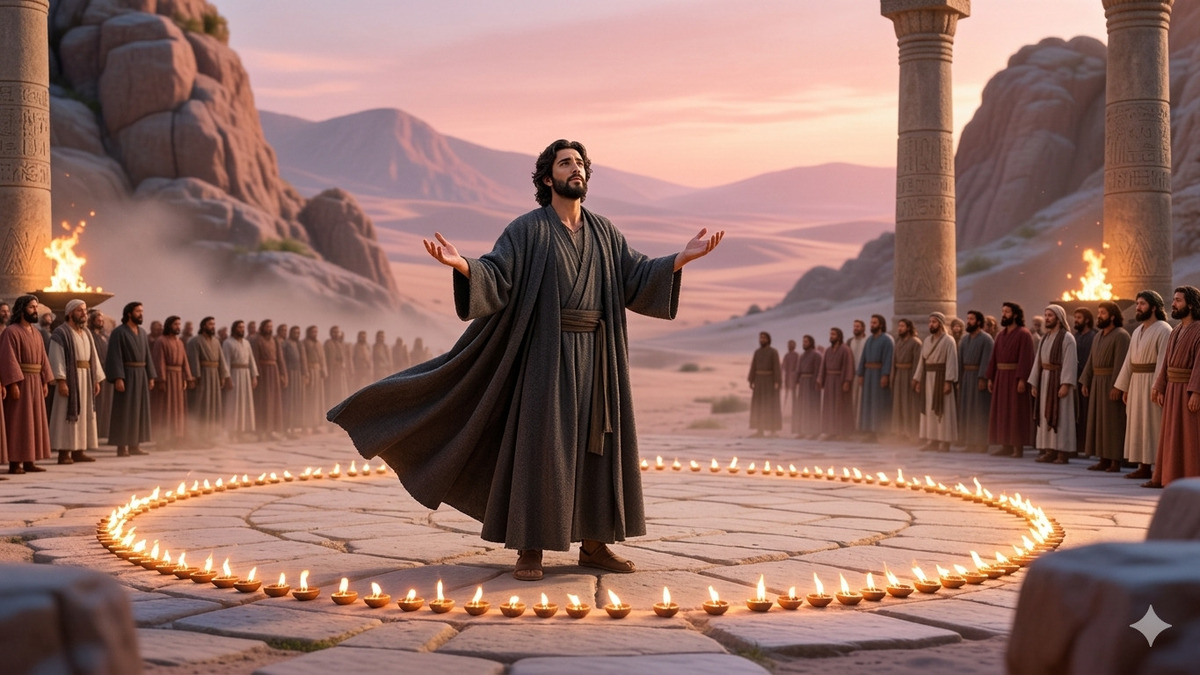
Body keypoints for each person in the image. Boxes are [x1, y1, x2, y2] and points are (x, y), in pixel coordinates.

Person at [328, 139, 722, 582]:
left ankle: (594, 545)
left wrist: (678, 260)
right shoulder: (527, 230)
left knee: (598, 446)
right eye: (566, 163)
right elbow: (498, 275)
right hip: (545, 358)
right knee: (542, 449)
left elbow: (634, 276)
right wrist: (464, 267)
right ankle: (530, 547)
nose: (576, 170)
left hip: (598, 357)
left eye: (580, 164)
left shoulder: (606, 232)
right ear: (546, 177)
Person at [1113, 291, 1171, 481]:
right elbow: (1129, 361)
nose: (1138, 307)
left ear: (1153, 307)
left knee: (1154, 425)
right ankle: (1143, 466)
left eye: (1142, 304)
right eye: (1137, 304)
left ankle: (1159, 468)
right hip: (1136, 382)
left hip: (1152, 382)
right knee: (1138, 424)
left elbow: (1164, 360)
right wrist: (1125, 386)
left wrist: (1159, 386)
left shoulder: (1164, 329)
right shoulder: (1137, 331)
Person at [1147, 286, 1200, 488]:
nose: (1173, 304)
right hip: (1172, 390)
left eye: (1178, 300)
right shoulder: (1176, 330)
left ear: (1191, 305)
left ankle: (1190, 479)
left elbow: (1199, 365)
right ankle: (1168, 476)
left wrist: (1196, 392)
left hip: (1187, 390)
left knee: (1189, 436)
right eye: (1174, 300)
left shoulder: (1199, 330)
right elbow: (1166, 363)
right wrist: (1159, 386)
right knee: (1171, 434)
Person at [1, 295, 53, 473]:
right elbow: (8, 358)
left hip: (35, 382)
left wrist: (45, 379)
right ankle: (15, 462)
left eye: (36, 307)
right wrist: (13, 383)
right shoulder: (11, 332)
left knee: (34, 421)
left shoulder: (37, 333)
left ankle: (30, 460)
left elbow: (43, 359)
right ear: (22, 309)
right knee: (19, 421)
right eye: (31, 307)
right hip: (21, 382)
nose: (35, 310)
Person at [1079, 302, 1130, 472]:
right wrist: (1085, 380)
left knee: (1112, 422)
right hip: (1097, 382)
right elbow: (1091, 361)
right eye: (1098, 312)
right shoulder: (1098, 335)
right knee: (1098, 421)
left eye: (1103, 313)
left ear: (1112, 316)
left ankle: (1115, 460)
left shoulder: (1121, 335)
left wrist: (1117, 386)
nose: (1099, 315)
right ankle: (1103, 458)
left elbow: (1121, 362)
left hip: (1110, 382)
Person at [105, 302, 156, 457]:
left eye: (142, 311)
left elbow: (147, 355)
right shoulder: (118, 333)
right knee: (125, 411)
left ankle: (135, 445)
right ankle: (122, 446)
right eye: (138, 311)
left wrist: (151, 375)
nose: (141, 314)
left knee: (139, 410)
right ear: (129, 313)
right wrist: (119, 377)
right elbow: (115, 356)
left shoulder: (142, 332)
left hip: (140, 375)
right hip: (127, 375)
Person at [1029, 305, 1078, 464]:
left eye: (1050, 315)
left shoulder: (1067, 338)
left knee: (1062, 417)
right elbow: (1038, 362)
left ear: (1058, 317)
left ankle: (1062, 453)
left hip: (1059, 381)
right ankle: (1049, 450)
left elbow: (1070, 362)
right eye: (1046, 315)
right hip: (1045, 380)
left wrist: (1066, 383)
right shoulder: (1045, 338)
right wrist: (1035, 383)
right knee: (1045, 416)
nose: (1047, 318)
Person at [987, 302, 1036, 458]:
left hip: (1015, 377)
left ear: (1015, 314)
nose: (1004, 314)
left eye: (1007, 312)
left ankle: (1018, 446)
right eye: (1003, 311)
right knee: (1002, 411)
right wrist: (991, 377)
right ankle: (1005, 444)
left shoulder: (1024, 334)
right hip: (1001, 377)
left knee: (1016, 412)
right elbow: (994, 358)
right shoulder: (1000, 335)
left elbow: (1026, 358)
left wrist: (1022, 379)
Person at [913, 312, 958, 452]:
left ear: (940, 324)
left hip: (941, 377)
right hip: (928, 378)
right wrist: (918, 379)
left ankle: (945, 441)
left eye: (934, 322)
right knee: (928, 410)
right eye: (930, 322)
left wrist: (948, 381)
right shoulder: (927, 340)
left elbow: (951, 361)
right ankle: (931, 439)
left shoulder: (949, 341)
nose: (931, 324)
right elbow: (922, 361)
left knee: (943, 410)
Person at [151, 315, 192, 449]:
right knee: (166, 408)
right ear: (169, 325)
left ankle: (177, 436)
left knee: (179, 409)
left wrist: (187, 377)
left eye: (179, 324)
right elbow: (159, 361)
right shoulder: (161, 341)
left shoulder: (179, 342)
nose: (178, 327)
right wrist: (161, 379)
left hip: (178, 378)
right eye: (175, 324)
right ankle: (163, 439)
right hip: (168, 378)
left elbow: (184, 361)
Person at [186, 316, 227, 446]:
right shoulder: (195, 341)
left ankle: (212, 435)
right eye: (210, 324)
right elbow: (194, 359)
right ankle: (198, 436)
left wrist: (222, 375)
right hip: (203, 376)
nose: (212, 326)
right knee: (202, 403)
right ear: (203, 326)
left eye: (214, 324)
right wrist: (196, 376)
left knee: (214, 404)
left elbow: (221, 359)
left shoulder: (216, 341)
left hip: (214, 375)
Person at [958, 310, 994, 453]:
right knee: (967, 409)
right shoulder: (964, 339)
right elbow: (960, 359)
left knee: (979, 410)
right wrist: (960, 377)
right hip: (967, 377)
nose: (968, 321)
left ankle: (981, 443)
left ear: (979, 322)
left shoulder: (986, 339)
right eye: (968, 318)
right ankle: (969, 441)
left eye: (972, 319)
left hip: (978, 377)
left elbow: (987, 359)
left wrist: (983, 378)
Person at [856, 314, 893, 441]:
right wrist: (860, 374)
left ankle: (880, 432)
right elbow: (863, 358)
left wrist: (885, 375)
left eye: (875, 323)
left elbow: (888, 359)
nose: (872, 325)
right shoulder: (869, 340)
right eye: (871, 323)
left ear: (881, 324)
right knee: (868, 402)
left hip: (879, 374)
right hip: (868, 375)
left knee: (879, 403)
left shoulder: (887, 340)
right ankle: (870, 431)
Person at [251, 319, 286, 440]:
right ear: (263, 327)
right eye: (267, 326)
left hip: (274, 371)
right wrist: (256, 375)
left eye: (271, 326)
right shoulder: (257, 340)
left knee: (274, 402)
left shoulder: (275, 340)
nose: (269, 329)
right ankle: (261, 431)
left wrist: (283, 374)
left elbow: (280, 358)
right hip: (263, 373)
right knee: (263, 402)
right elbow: (255, 358)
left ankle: (271, 430)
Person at [222, 320, 257, 439]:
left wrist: (254, 376)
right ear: (234, 328)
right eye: (239, 327)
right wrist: (227, 377)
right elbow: (225, 361)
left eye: (243, 327)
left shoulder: (247, 343)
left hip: (246, 375)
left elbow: (251, 360)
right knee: (234, 403)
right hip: (234, 374)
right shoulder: (227, 343)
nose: (242, 329)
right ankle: (232, 432)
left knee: (245, 403)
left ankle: (243, 431)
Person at [818, 327, 855, 440]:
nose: (831, 336)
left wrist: (847, 381)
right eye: (830, 334)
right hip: (829, 380)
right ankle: (830, 431)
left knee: (840, 406)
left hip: (840, 380)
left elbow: (849, 366)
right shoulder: (828, 350)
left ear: (839, 336)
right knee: (829, 406)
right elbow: (823, 366)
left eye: (833, 334)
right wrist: (820, 379)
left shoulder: (845, 350)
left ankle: (841, 432)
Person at [891, 318, 922, 443]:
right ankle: (901, 432)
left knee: (910, 405)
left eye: (902, 326)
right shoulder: (898, 342)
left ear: (908, 328)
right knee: (899, 404)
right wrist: (893, 377)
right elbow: (894, 361)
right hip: (899, 375)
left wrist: (915, 379)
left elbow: (917, 363)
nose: (900, 328)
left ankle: (912, 434)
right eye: (899, 326)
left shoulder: (916, 343)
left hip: (909, 375)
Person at [747, 332, 781, 437]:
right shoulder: (757, 352)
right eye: (760, 338)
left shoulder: (773, 352)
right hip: (759, 381)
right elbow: (754, 366)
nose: (762, 339)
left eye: (764, 338)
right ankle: (759, 430)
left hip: (769, 381)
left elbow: (777, 367)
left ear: (768, 339)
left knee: (770, 405)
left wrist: (777, 381)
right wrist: (751, 380)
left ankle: (773, 430)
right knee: (758, 405)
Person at [1073, 308, 1097, 455]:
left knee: (1088, 412)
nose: (1076, 320)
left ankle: (1089, 446)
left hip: (1088, 379)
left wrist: (1086, 380)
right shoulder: (1075, 336)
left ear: (1087, 320)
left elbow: (1091, 360)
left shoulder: (1093, 336)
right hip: (1075, 379)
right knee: (1077, 413)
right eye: (1075, 317)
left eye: (1079, 317)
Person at [88, 310, 112, 441]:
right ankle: (95, 431)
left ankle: (104, 430)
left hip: (106, 372)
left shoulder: (105, 336)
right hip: (96, 371)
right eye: (98, 319)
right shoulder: (90, 335)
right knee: (97, 402)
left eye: (102, 320)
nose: (101, 321)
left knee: (107, 402)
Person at [794, 335, 822, 439]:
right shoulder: (802, 355)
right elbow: (798, 369)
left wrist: (816, 383)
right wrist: (797, 380)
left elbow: (818, 370)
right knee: (802, 407)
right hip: (803, 383)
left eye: (806, 341)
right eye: (803, 341)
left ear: (811, 342)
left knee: (812, 407)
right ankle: (803, 430)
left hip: (812, 384)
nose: (804, 343)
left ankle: (815, 431)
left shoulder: (817, 355)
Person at [282, 325, 307, 435]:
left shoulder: (300, 344)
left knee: (298, 400)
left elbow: (303, 360)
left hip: (298, 375)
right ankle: (288, 427)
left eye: (298, 333)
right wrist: (284, 374)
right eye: (295, 332)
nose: (297, 334)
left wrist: (305, 374)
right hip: (290, 374)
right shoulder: (286, 343)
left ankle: (298, 426)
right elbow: (282, 359)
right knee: (290, 401)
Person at [302, 326, 326, 432]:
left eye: (316, 331)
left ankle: (315, 425)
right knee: (309, 398)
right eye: (313, 331)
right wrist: (306, 373)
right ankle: (306, 424)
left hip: (318, 372)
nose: (315, 333)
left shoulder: (319, 344)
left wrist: (324, 370)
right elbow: (303, 359)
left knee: (317, 399)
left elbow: (322, 358)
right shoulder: (305, 343)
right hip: (310, 371)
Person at [848, 319, 867, 431]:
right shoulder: (850, 341)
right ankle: (852, 427)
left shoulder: (867, 341)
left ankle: (861, 428)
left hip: (862, 375)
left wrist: (862, 374)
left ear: (863, 328)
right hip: (852, 375)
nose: (855, 328)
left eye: (858, 326)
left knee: (861, 402)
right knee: (852, 401)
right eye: (854, 326)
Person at [324, 326, 349, 407]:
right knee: (332, 390)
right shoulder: (328, 343)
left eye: (337, 332)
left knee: (341, 389)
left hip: (340, 370)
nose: (336, 334)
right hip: (332, 370)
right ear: (331, 333)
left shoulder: (340, 344)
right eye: (334, 332)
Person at [781, 339, 799, 410]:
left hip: (793, 378)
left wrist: (794, 376)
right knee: (787, 394)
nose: (789, 346)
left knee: (793, 395)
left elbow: (798, 367)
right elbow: (783, 367)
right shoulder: (786, 355)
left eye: (790, 345)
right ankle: (787, 410)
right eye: (788, 345)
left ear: (794, 346)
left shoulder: (796, 355)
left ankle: (793, 411)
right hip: (787, 377)